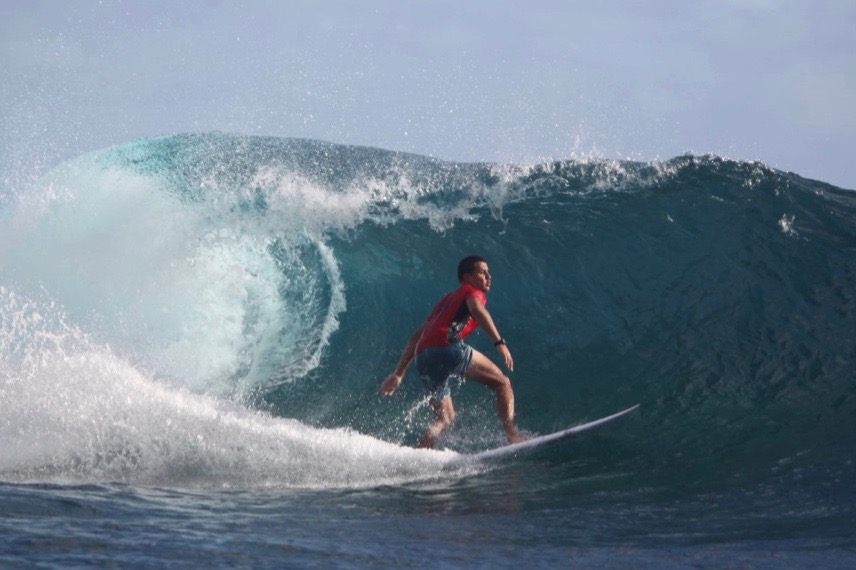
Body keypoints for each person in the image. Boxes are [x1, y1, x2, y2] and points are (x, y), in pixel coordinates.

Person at [379, 255, 527, 449]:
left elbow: (416, 337)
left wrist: (398, 373)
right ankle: (513, 435)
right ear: (467, 277)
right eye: (482, 272)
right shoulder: (472, 292)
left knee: (445, 419)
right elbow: (477, 309)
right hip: (447, 346)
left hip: (423, 355)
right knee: (502, 383)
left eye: (488, 272)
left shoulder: (446, 301)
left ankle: (420, 453)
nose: (488, 276)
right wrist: (499, 342)